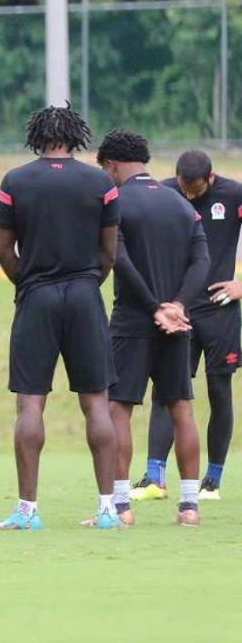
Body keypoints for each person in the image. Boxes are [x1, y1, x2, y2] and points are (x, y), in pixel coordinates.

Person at [0, 103, 120, 531]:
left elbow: (3, 251)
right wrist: (87, 283)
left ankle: (28, 511)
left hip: (37, 295)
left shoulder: (16, 180)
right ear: (75, 136)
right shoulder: (100, 180)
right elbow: (109, 253)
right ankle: (106, 509)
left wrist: (27, 284)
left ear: (37, 137)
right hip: (85, 294)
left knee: (30, 402)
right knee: (96, 402)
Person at [97, 129, 207, 527]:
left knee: (119, 409)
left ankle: (122, 507)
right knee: (181, 407)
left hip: (132, 320)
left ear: (111, 165)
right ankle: (190, 507)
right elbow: (202, 262)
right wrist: (178, 305)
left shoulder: (117, 202)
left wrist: (153, 307)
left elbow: (118, 258)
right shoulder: (181, 205)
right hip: (179, 323)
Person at [132, 150, 242, 502]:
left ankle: (212, 480)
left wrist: (241, 284)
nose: (189, 196)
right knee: (168, 392)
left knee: (219, 391)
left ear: (210, 179)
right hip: (180, 309)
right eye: (184, 188)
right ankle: (153, 478)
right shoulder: (166, 195)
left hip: (220, 310)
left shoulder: (233, 194)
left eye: (195, 190)